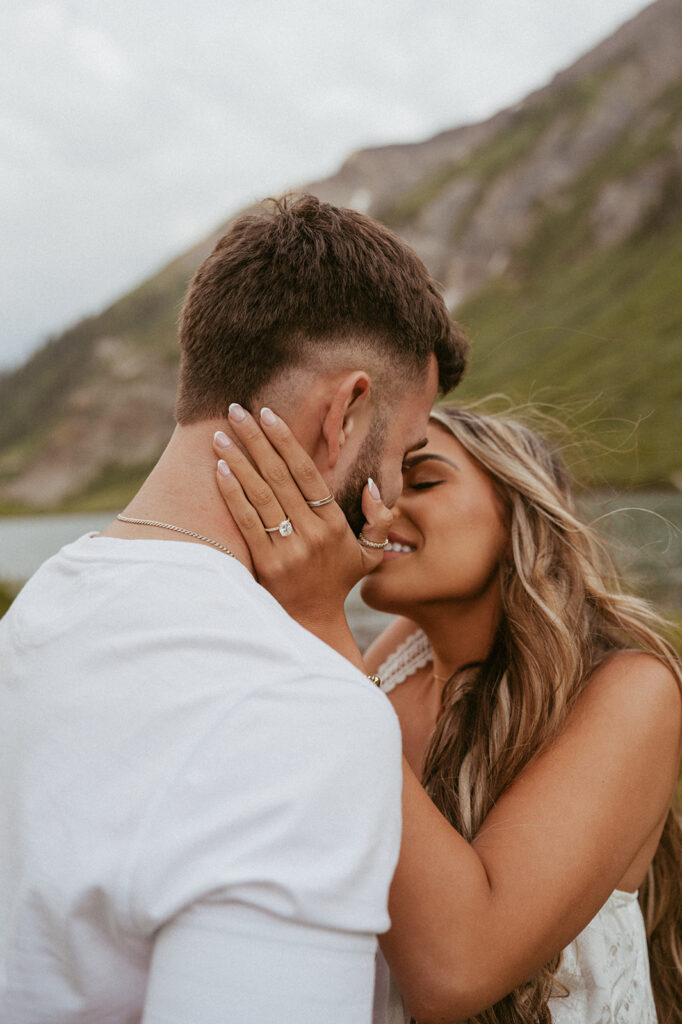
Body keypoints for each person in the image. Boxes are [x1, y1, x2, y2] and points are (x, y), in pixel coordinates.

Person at [0, 194, 469, 1023]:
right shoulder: (303, 706)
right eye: (401, 455)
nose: (392, 501)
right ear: (346, 412)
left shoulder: (38, 617)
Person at [211, 402, 682, 1024]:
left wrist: (321, 625)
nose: (377, 505)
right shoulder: (401, 655)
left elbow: (458, 972)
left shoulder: (631, 690)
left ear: (521, 513)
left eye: (423, 480)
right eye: (371, 483)